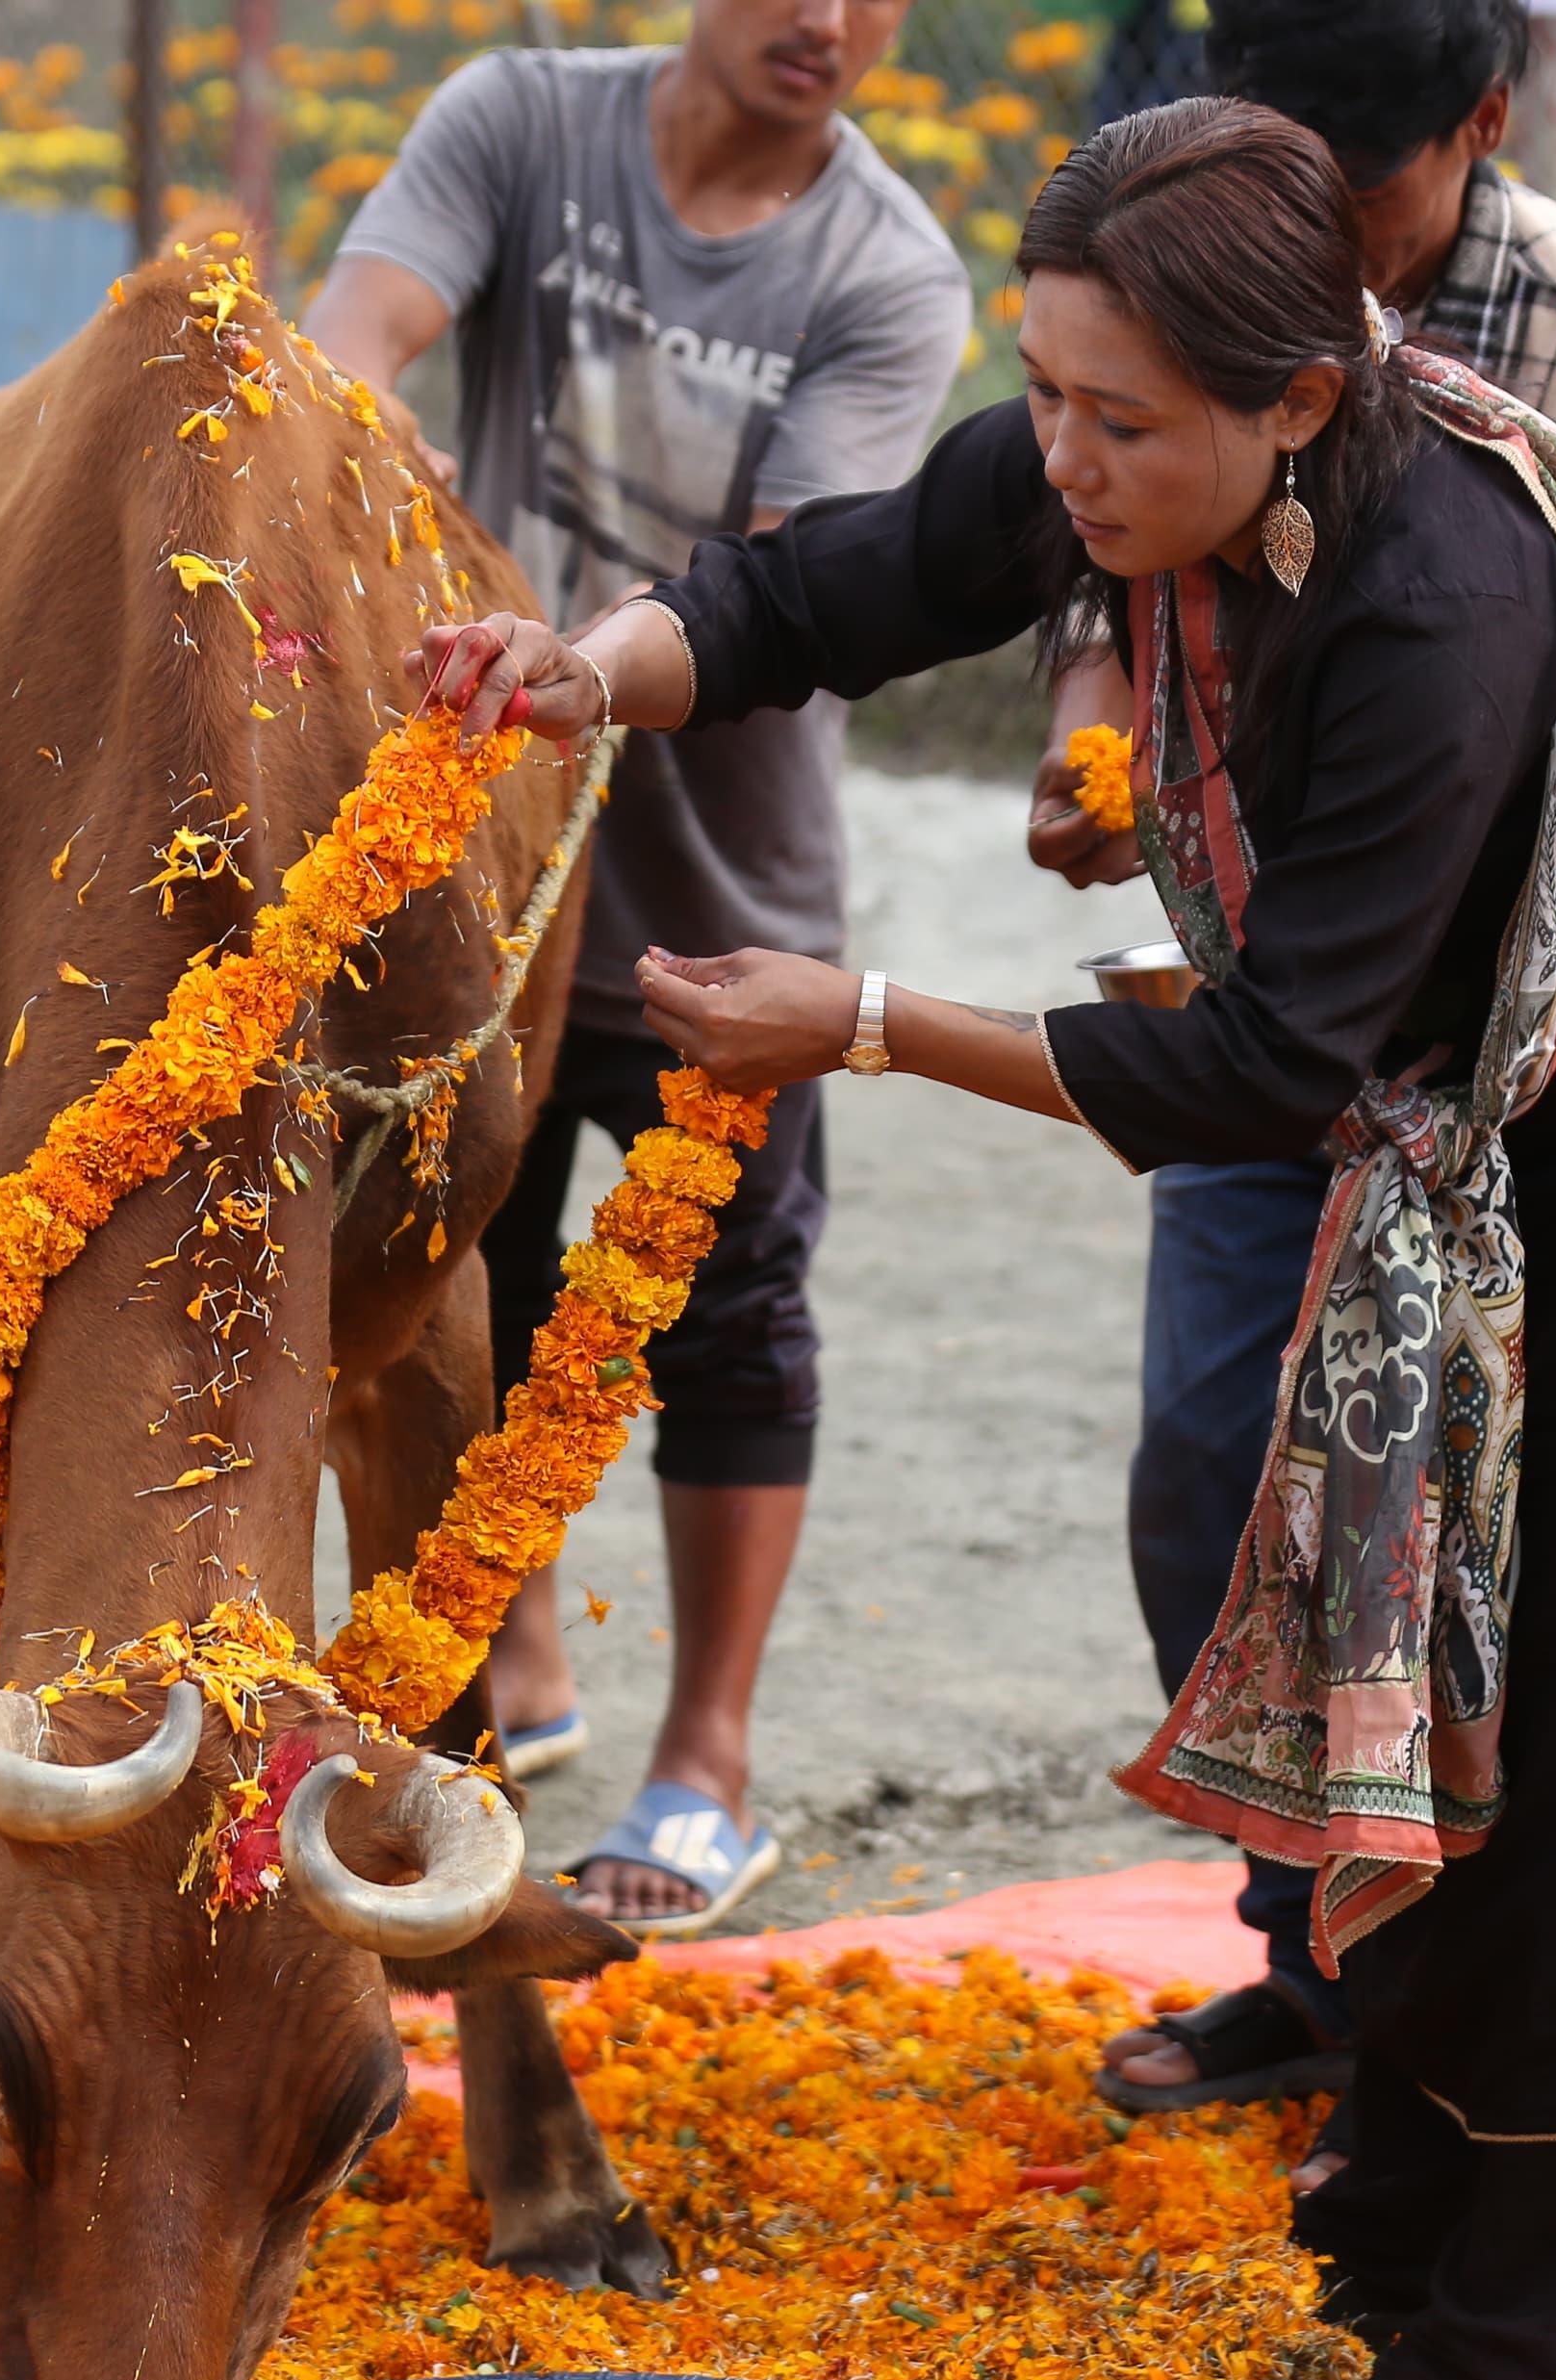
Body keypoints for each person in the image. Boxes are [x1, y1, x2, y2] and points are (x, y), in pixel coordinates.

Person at [408, 98, 1556, 2380]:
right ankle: (1415, 2248)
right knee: (1467, 1671)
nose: (1060, 459)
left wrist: (850, 1017)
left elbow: (1271, 1069)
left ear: (1302, 394)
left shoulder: (1427, 602)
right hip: (1499, 1119)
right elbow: (831, 583)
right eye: (1044, 392)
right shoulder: (1133, 448)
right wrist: (583, 667)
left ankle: (1515, 2356)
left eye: (1117, 420)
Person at [1064, 0, 1556, 2155]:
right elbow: (1067, 533)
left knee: (1469, 1536)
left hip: (1504, 1071)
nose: (1307, 242)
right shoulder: (1173, 271)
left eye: (1347, 206)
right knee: (1212, 1470)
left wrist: (873, 1021)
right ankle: (1312, 1954)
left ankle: (1445, 2029)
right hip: (1287, 999)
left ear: (1475, 125)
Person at [302, 0, 971, 1931]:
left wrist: (552, 650)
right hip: (482, 879)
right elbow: (361, 328)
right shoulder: (520, 119)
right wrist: (358, 434)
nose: (827, 21)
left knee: (731, 1313)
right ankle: (504, 1676)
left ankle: (706, 1763)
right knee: (458, 1284)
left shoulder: (883, 267)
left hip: (717, 873)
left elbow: (783, 583)